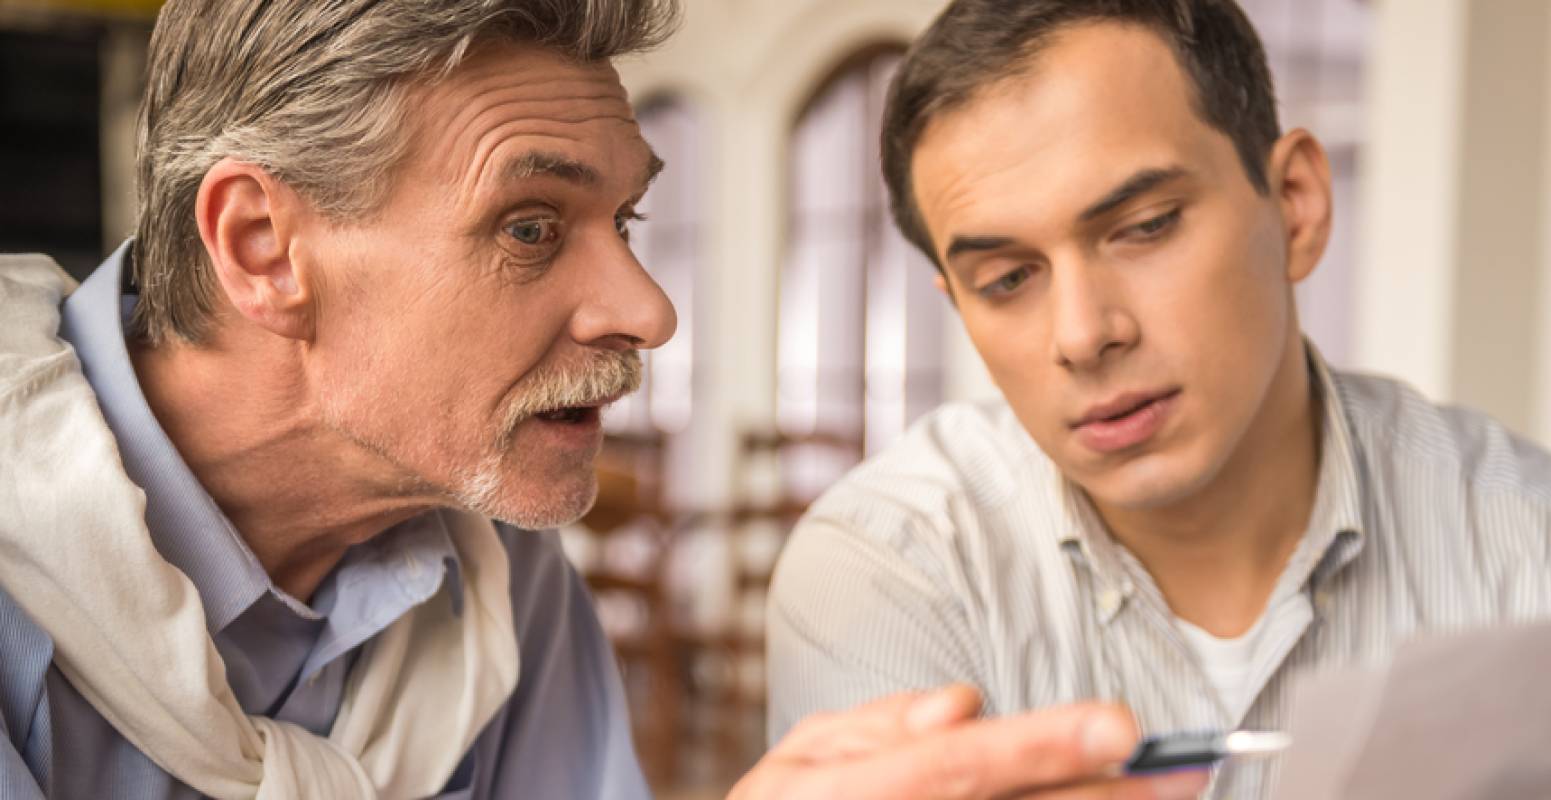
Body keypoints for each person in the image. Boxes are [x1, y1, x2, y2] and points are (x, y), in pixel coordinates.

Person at [0, 1, 1207, 798]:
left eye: (622, 220)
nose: (647, 307)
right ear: (263, 246)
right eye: (532, 225)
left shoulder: (500, 583)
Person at [765, 1, 1551, 797]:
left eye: (1145, 227)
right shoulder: (887, 569)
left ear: (1294, 205)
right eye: (1008, 280)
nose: (1083, 335)